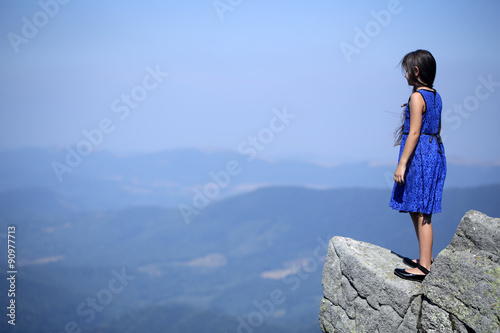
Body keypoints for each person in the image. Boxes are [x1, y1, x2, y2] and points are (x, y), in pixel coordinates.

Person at [390, 49, 447, 282]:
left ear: (416, 71)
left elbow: (414, 132)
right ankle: (426, 257)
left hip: (419, 156)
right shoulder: (435, 95)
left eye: (406, 70)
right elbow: (436, 128)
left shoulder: (416, 97)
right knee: (418, 207)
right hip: (434, 151)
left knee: (422, 211)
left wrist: (402, 163)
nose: (404, 75)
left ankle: (425, 267)